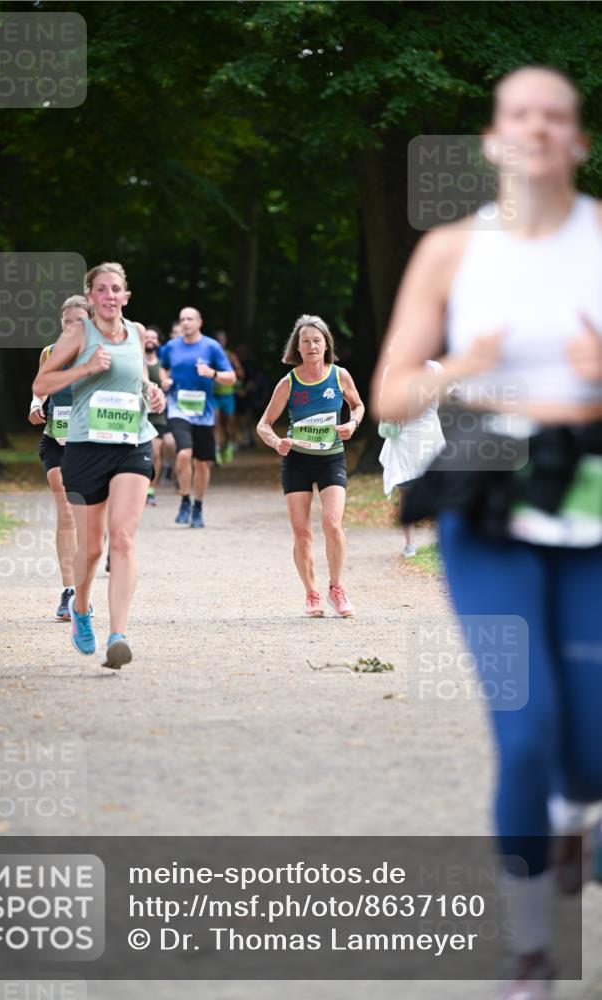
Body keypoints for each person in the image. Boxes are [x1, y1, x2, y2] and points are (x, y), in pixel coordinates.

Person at [370, 67, 602, 999]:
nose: (538, 128)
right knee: (527, 727)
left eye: (557, 114)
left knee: (586, 749)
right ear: (495, 139)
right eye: (519, 114)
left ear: (577, 140)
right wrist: (460, 365)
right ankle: (532, 951)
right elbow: (388, 392)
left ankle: (570, 815)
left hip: (590, 503)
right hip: (489, 508)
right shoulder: (451, 251)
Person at [33, 262, 165, 669]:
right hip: (86, 446)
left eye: (116, 289)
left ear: (126, 296)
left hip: (132, 443)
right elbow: (41, 386)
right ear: (90, 297)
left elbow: (140, 380)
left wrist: (152, 393)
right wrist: (86, 368)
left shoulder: (138, 333)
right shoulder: (78, 334)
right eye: (102, 289)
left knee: (122, 537)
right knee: (90, 550)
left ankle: (118, 635)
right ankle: (82, 609)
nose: (110, 296)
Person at [257, 315, 364, 617]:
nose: (312, 345)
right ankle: (312, 594)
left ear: (326, 344)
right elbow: (263, 424)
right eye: (306, 341)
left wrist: (353, 423)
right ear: (298, 348)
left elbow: (358, 404)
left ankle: (337, 588)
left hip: (331, 458)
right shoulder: (288, 382)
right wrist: (276, 442)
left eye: (317, 340)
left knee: (332, 522)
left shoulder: (340, 376)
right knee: (302, 533)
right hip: (297, 462)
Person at [28, 295, 92, 620]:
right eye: (67, 322)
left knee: (86, 517)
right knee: (66, 509)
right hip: (56, 441)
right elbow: (40, 387)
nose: (71, 328)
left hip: (92, 446)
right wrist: (36, 406)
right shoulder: (50, 353)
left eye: (79, 322)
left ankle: (84, 589)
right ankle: (69, 591)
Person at [159, 306, 235, 528]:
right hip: (177, 407)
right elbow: (163, 369)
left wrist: (212, 373)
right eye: (182, 319)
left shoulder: (211, 347)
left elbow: (230, 377)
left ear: (199, 322)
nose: (185, 323)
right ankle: (184, 498)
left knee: (202, 463)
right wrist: (165, 380)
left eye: (190, 319)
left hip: (204, 412)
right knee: (183, 453)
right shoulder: (171, 347)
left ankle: (198, 506)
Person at [378, 359, 446, 557]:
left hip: (429, 432)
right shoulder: (393, 369)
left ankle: (440, 540)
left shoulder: (435, 369)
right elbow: (383, 401)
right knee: (405, 489)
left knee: (438, 486)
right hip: (404, 435)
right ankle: (409, 543)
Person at [144, 325, 176, 504]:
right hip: (136, 415)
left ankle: (150, 490)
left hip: (157, 415)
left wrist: (167, 383)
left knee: (155, 453)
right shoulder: (136, 360)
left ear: (158, 341)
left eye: (153, 337)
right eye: (146, 337)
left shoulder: (162, 364)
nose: (149, 340)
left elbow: (167, 380)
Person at [212, 330, 245, 464]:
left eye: (222, 339)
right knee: (214, 423)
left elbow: (241, 374)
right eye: (217, 339)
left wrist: (231, 372)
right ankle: (216, 450)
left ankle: (228, 446)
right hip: (213, 394)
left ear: (225, 342)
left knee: (227, 426)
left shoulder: (230, 356)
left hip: (227, 395)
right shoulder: (210, 355)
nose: (220, 342)